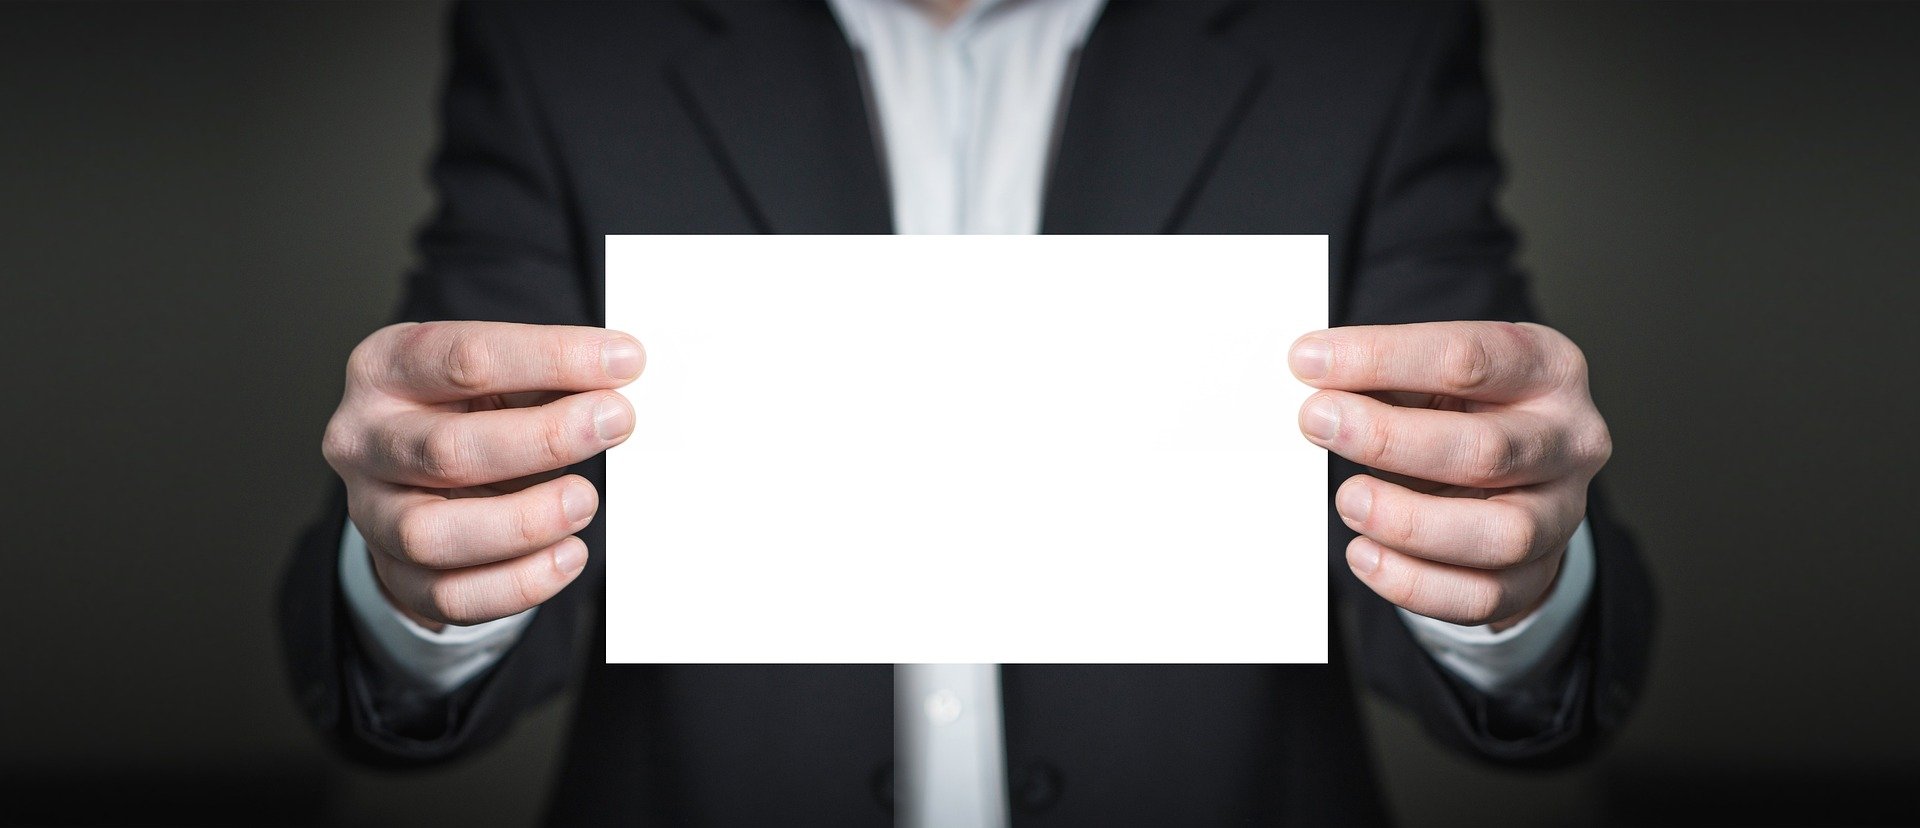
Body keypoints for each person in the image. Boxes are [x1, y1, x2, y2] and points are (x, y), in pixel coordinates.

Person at [280, 2, 1654, 825]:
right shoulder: (564, 32)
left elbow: (1475, 478)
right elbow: (460, 479)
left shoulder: (1366, 31)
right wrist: (420, 573)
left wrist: (1512, 572)